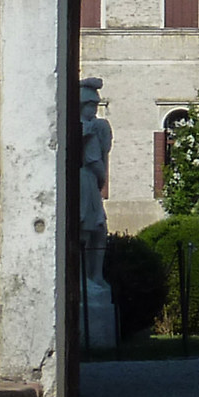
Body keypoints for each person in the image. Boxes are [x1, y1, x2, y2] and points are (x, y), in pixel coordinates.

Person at [78, 79, 113, 285]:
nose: (94, 109)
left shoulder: (88, 126)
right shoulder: (89, 128)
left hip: (86, 181)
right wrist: (101, 179)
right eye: (92, 105)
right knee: (91, 230)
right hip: (87, 181)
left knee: (94, 230)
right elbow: (95, 161)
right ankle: (88, 276)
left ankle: (92, 276)